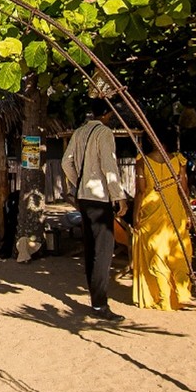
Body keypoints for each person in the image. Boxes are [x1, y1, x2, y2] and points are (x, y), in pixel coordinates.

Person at [62, 99, 131, 322]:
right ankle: (100, 304)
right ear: (107, 113)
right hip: (99, 198)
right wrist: (119, 196)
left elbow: (66, 163)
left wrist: (79, 182)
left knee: (91, 248)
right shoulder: (104, 133)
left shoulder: (79, 132)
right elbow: (109, 167)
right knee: (103, 250)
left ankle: (96, 300)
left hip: (84, 197)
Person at [131, 124, 194, 310]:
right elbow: (184, 190)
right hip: (176, 212)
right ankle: (183, 294)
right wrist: (188, 213)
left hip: (151, 213)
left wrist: (135, 215)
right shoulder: (179, 161)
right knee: (179, 252)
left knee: (157, 254)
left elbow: (140, 192)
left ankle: (164, 299)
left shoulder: (142, 161)